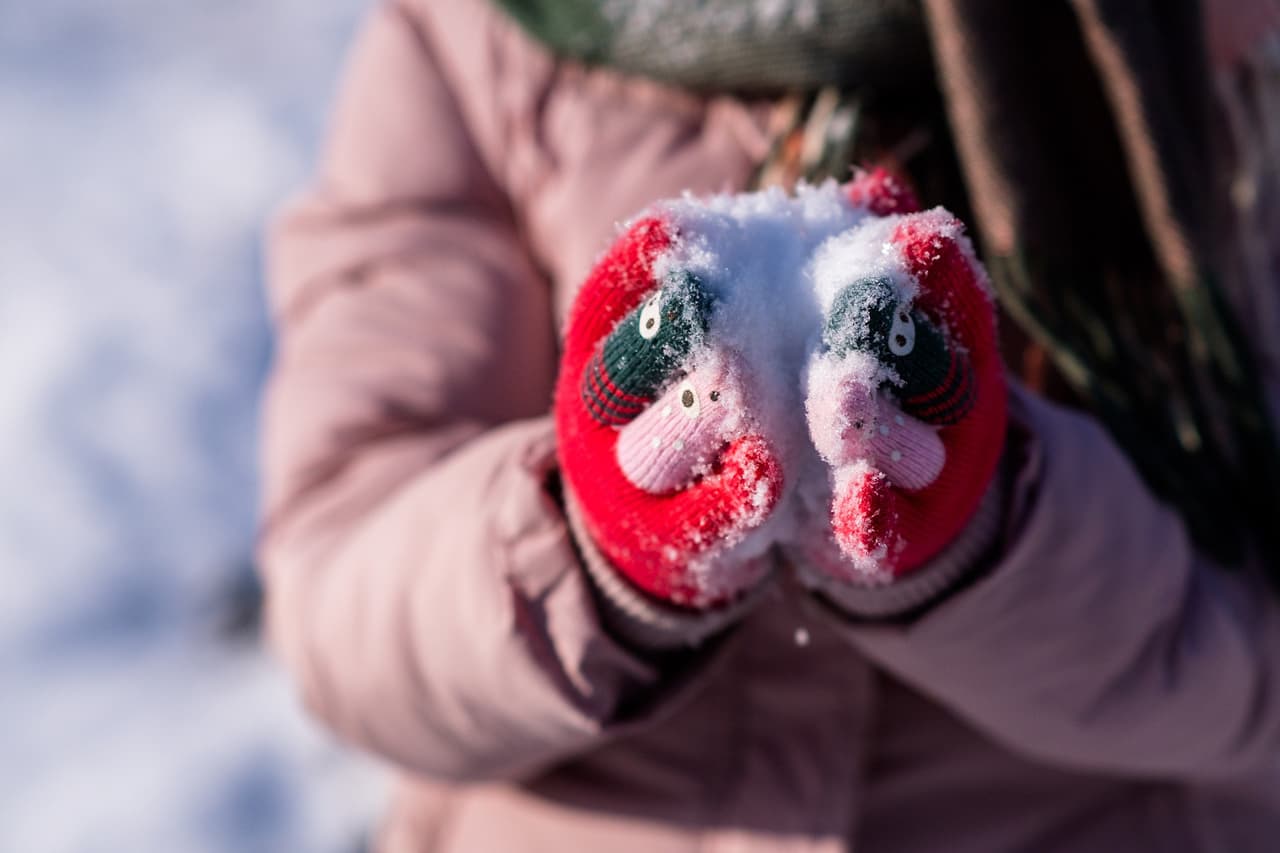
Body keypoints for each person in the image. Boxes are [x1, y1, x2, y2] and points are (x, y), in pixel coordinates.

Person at [259, 0, 1280, 849]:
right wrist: (595, 542)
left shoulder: (1215, 39)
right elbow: (339, 591)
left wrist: (982, 537)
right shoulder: (482, 34)